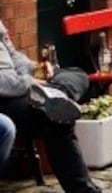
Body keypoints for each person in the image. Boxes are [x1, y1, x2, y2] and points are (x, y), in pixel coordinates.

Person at [0, 20, 100, 193]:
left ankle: (55, 95)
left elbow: (14, 56)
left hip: (25, 85)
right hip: (5, 97)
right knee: (55, 120)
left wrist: (38, 68)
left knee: (77, 74)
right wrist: (28, 82)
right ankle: (54, 98)